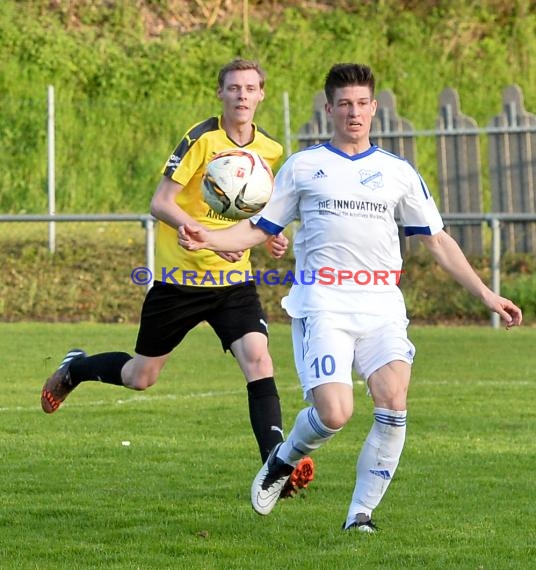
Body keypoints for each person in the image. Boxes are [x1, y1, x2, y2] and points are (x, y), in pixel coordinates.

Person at [177, 62, 523, 531]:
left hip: (381, 303)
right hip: (323, 303)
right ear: (329, 109)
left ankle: (360, 515)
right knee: (335, 413)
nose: (353, 112)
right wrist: (207, 240)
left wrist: (487, 293)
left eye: (362, 104)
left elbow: (437, 239)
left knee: (393, 401)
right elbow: (257, 229)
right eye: (344, 104)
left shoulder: (396, 172)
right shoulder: (304, 167)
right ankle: (284, 457)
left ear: (374, 109)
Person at [41, 58, 314, 498]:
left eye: (250, 88)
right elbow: (161, 202)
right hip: (178, 282)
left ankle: (274, 465)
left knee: (260, 360)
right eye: (234, 88)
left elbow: (261, 212)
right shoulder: (200, 139)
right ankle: (76, 369)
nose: (242, 96)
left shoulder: (270, 150)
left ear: (262, 94)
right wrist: (206, 238)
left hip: (233, 285)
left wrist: (273, 237)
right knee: (140, 377)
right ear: (221, 94)